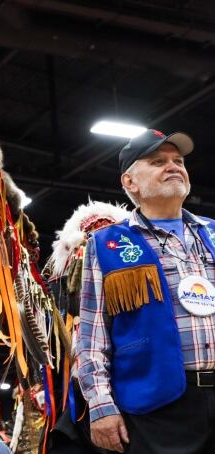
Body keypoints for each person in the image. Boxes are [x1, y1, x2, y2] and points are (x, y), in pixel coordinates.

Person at [77, 129, 215, 454]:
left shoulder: (213, 232)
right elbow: (91, 337)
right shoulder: (107, 244)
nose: (173, 166)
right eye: (158, 161)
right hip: (160, 406)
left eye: (178, 160)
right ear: (130, 183)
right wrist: (101, 406)